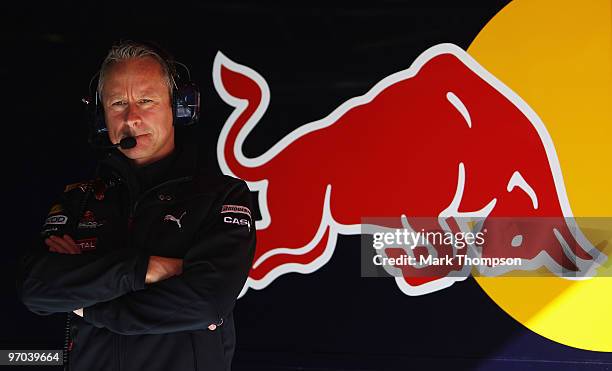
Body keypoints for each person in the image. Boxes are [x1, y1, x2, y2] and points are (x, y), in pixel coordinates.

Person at [16, 41, 256, 371]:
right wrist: (145, 270)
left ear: (179, 107)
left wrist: (91, 305)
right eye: (118, 103)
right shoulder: (80, 197)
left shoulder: (222, 196)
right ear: (101, 117)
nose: (132, 117)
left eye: (146, 101)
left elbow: (206, 302)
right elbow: (37, 288)